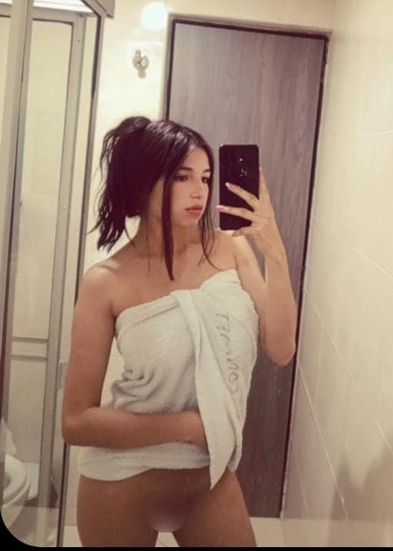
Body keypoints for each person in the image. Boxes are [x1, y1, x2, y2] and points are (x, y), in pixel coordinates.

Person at [62, 116, 297, 548]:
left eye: (205, 178)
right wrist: (189, 425)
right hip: (122, 478)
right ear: (143, 183)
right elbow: (76, 422)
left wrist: (275, 250)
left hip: (209, 470)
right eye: (182, 177)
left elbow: (281, 348)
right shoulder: (106, 281)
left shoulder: (230, 247)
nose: (199, 191)